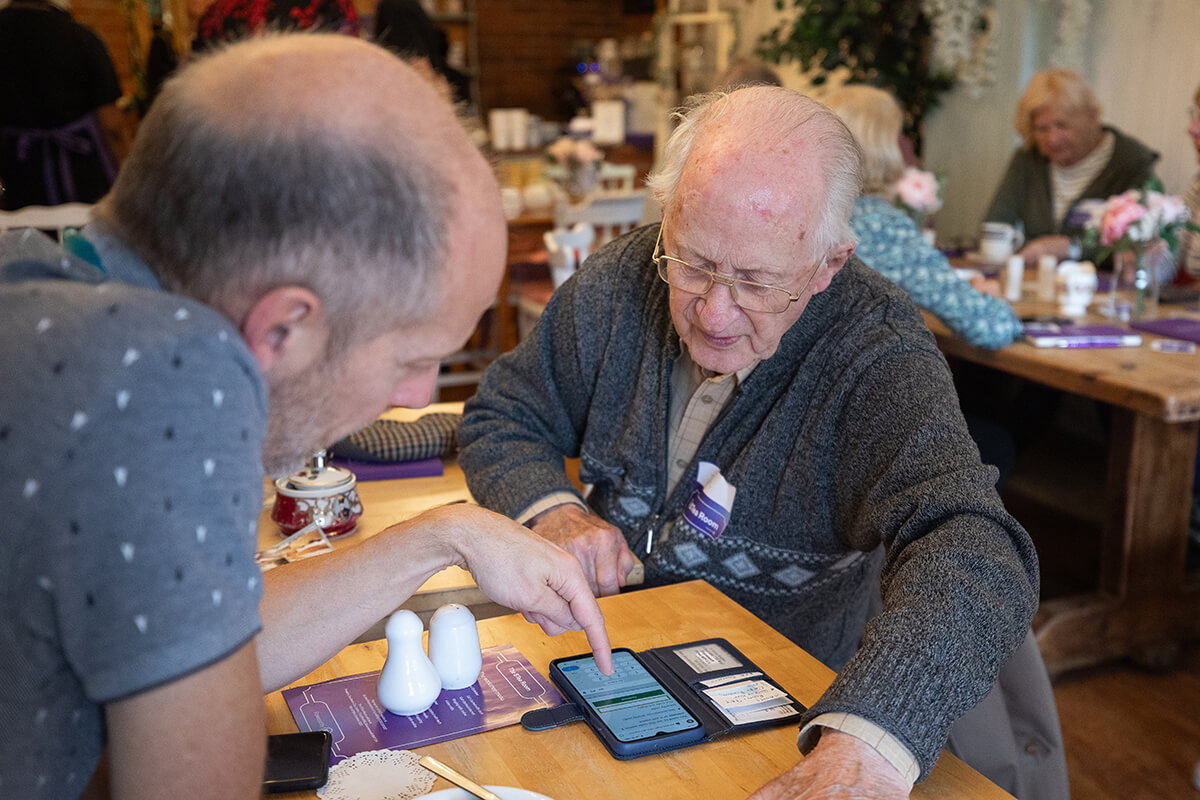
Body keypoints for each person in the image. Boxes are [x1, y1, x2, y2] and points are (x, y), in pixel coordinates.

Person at [0, 34, 612, 799]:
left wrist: (449, 533)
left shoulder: (40, 285)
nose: (419, 398)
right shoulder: (165, 378)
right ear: (283, 327)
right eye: (408, 359)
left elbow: (219, 642)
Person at [460, 86, 1040, 798]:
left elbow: (975, 546)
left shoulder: (875, 350)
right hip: (597, 666)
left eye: (756, 282)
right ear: (668, 218)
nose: (714, 312)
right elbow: (504, 413)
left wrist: (868, 737)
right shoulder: (624, 278)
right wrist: (555, 510)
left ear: (829, 263)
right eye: (694, 264)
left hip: (775, 709)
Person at [825, 84, 1022, 350]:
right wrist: (987, 300)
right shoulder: (881, 227)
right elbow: (992, 327)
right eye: (900, 134)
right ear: (885, 146)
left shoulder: (810, 213)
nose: (906, 144)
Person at [984, 68, 1159, 266]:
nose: (1052, 138)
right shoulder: (1029, 158)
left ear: (1090, 119)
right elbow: (996, 226)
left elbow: (1139, 244)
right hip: (1037, 281)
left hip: (1097, 286)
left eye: (1062, 125)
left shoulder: (1132, 163)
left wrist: (1072, 248)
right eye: (1042, 128)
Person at [0, 0, 127, 209]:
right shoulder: (80, 37)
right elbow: (111, 125)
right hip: (84, 177)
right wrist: (127, 176)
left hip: (22, 178)